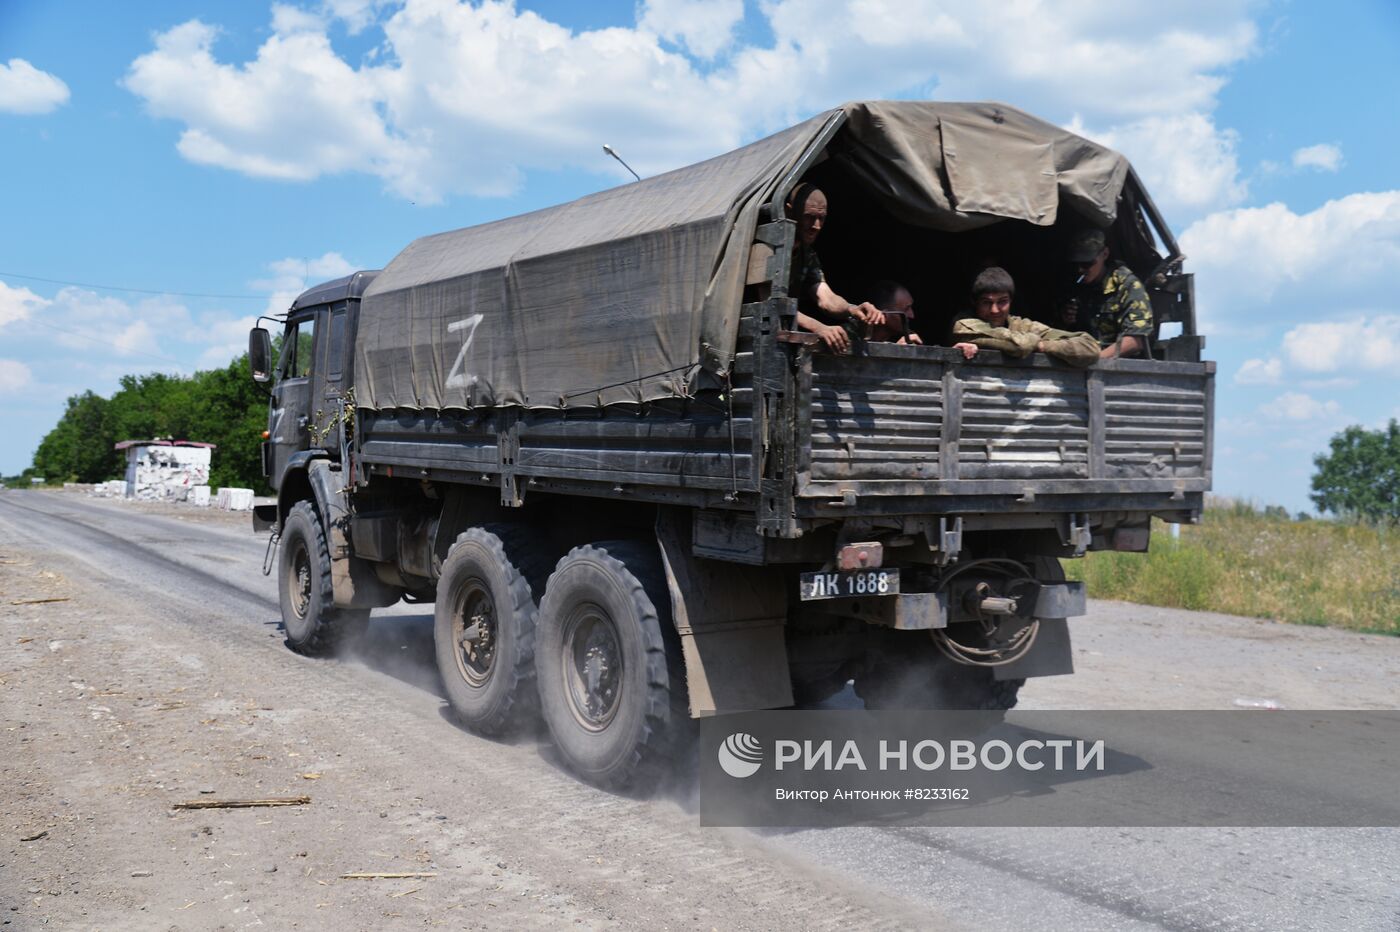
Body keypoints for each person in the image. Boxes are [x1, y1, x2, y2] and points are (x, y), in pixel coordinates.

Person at [784, 184, 884, 352]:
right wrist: (819, 328)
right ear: (789, 212)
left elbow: (826, 298)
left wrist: (852, 309)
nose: (816, 225)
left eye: (821, 218)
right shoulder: (767, 250)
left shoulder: (807, 256)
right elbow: (772, 306)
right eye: (809, 217)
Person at [951, 267, 1099, 367]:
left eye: (1002, 302)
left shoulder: (1022, 326)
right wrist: (1033, 340)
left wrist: (1042, 346)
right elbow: (1021, 345)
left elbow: (1089, 347)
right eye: (986, 303)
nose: (994, 310)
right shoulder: (964, 324)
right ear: (974, 302)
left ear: (1011, 301)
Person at [1068, 228, 1153, 358]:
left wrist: (1097, 361)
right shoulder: (1079, 287)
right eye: (1077, 263)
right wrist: (1068, 320)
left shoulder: (1127, 285)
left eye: (1087, 263)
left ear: (1105, 254)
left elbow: (1136, 340)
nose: (1080, 269)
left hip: (1120, 366)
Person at [868, 280, 923, 345]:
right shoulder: (856, 341)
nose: (912, 315)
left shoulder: (902, 340)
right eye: (906, 309)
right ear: (885, 314)